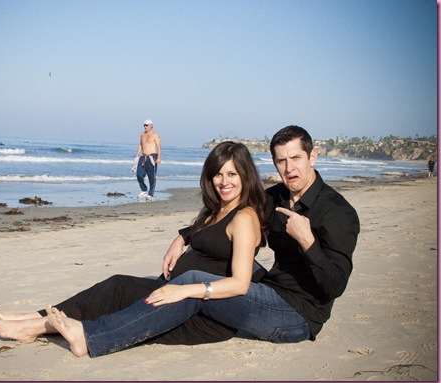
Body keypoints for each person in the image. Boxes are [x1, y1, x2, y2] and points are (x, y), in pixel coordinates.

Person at [33, 125, 361, 358]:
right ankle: (45, 322)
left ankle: (91, 338)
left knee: (191, 285)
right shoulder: (274, 197)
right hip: (270, 289)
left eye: (296, 159)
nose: (289, 168)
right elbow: (231, 213)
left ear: (313, 156)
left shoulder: (338, 214)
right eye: (281, 161)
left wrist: (308, 243)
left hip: (298, 316)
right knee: (153, 284)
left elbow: (334, 285)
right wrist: (184, 235)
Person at [0, 141, 269, 347]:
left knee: (116, 294)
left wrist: (184, 291)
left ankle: (34, 326)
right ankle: (30, 319)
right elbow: (205, 235)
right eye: (218, 174)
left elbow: (240, 283)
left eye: (232, 174)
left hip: (194, 310)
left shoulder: (244, 217)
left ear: (245, 176)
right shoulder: (215, 210)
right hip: (172, 293)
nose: (223, 181)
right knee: (114, 288)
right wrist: (180, 238)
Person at [132, 119, 161, 202]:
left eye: (146, 125)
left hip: (152, 156)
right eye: (144, 125)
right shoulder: (142, 134)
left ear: (151, 125)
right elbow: (141, 145)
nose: (145, 126)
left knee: (152, 177)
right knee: (139, 174)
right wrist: (136, 156)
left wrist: (159, 158)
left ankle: (150, 194)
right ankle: (144, 190)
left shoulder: (155, 135)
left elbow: (159, 147)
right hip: (143, 157)